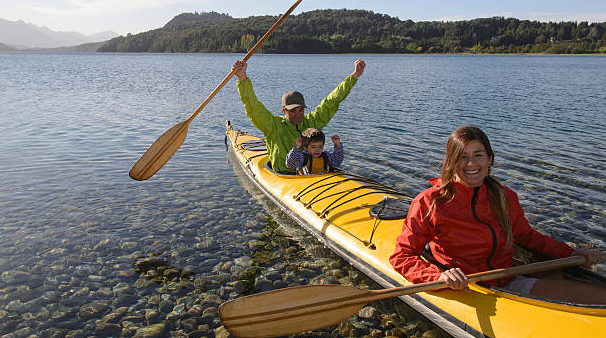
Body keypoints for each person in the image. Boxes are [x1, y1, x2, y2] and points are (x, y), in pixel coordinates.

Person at [389, 125, 605, 304]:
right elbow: (402, 255)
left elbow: (527, 236)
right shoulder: (430, 202)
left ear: (489, 159)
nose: (471, 164)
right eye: (462, 157)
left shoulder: (504, 196)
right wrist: (438, 276)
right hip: (467, 286)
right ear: (451, 162)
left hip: (507, 278)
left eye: (478, 155)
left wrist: (570, 254)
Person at [232, 59, 365, 173]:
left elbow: (332, 100)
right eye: (293, 111)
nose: (298, 115)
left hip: (309, 175)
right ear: (284, 110)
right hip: (284, 176)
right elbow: (253, 107)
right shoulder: (272, 125)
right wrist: (242, 79)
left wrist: (354, 76)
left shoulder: (311, 122)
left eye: (301, 110)